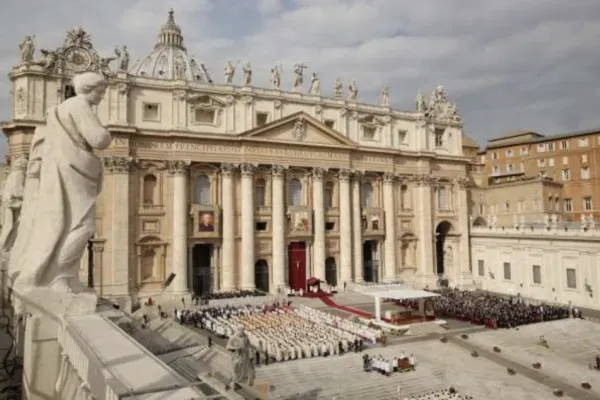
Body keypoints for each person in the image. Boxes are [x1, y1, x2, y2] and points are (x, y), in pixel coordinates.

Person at [10, 72, 111, 292]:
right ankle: (60, 277)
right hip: (74, 171)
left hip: (66, 170)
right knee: (82, 226)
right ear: (89, 88)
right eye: (101, 91)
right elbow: (99, 139)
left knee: (65, 223)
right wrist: (108, 134)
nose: (103, 97)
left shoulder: (59, 109)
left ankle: (56, 275)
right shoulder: (79, 106)